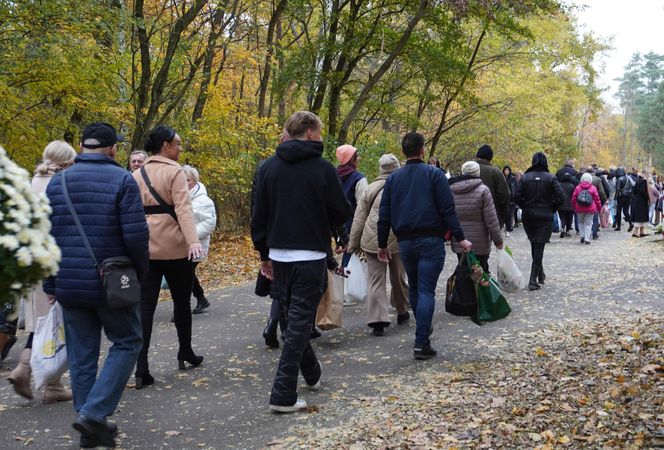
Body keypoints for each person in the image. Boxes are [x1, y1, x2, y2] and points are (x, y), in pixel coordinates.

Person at [43, 122, 149, 448]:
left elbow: (47, 237)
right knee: (129, 341)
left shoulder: (57, 182)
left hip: (69, 283)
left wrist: (51, 284)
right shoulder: (122, 179)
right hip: (111, 281)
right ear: (113, 148)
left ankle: (90, 428)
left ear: (82, 146)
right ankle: (93, 413)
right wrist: (141, 274)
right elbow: (135, 236)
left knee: (82, 354)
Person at [251, 111, 351, 413]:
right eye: (319, 132)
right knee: (296, 326)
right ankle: (283, 393)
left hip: (279, 257)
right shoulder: (322, 169)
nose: (321, 137)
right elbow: (340, 210)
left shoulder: (268, 167)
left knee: (290, 321)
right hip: (309, 257)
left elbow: (259, 215)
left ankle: (313, 374)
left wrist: (264, 254)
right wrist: (333, 228)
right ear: (309, 133)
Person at [377, 132, 471, 360]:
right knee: (426, 289)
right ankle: (421, 341)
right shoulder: (435, 175)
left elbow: (385, 214)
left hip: (406, 242)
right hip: (430, 239)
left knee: (417, 287)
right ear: (422, 150)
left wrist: (382, 244)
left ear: (403, 152)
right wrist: (461, 238)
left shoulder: (393, 179)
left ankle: (423, 327)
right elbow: (447, 210)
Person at [132, 126, 204, 390]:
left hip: (146, 250)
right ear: (165, 145)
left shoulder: (136, 173)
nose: (180, 148)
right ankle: (185, 351)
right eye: (178, 144)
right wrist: (193, 240)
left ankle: (141, 367)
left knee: (145, 308)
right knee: (182, 303)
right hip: (175, 249)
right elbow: (184, 210)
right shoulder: (175, 172)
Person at [8, 141, 77, 404]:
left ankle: (50, 384)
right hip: (54, 261)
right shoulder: (60, 184)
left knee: (43, 321)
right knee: (56, 321)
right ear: (67, 161)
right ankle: (31, 372)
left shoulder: (31, 182)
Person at [348, 154, 410, 337]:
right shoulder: (403, 187)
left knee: (376, 279)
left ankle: (378, 320)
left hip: (372, 240)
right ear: (397, 168)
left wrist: (352, 245)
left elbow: (359, 219)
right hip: (398, 238)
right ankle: (402, 310)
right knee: (398, 276)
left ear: (381, 169)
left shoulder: (370, 189)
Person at [514, 152, 564, 291]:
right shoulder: (551, 178)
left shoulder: (524, 178)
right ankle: (532, 279)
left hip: (528, 216)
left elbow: (516, 196)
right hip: (545, 215)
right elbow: (561, 197)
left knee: (534, 243)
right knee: (539, 245)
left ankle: (539, 274)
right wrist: (552, 208)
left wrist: (525, 207)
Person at [449, 161, 504, 273]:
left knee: (464, 271)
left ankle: (465, 290)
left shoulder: (451, 190)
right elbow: (491, 220)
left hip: (460, 241)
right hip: (480, 243)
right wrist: (498, 240)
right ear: (478, 173)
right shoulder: (483, 190)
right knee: (481, 275)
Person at [182, 165, 216, 314]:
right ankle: (201, 299)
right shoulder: (179, 196)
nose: (184, 182)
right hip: (180, 244)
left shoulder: (203, 200)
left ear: (194, 181)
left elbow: (209, 224)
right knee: (186, 274)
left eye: (187, 180)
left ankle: (181, 308)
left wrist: (191, 235)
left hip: (196, 245)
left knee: (184, 276)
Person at [336, 144, 367, 305]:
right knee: (349, 254)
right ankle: (348, 292)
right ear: (351, 159)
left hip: (335, 223)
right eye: (357, 156)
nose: (359, 159)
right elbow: (363, 204)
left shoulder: (333, 175)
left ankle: (345, 290)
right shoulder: (358, 178)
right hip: (352, 221)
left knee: (346, 254)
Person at [475, 144, 510, 229]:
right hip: (491, 215)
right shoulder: (496, 172)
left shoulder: (466, 169)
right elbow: (505, 195)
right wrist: (502, 214)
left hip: (468, 215)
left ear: (477, 156)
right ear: (491, 158)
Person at [571, 173, 602, 245]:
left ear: (582, 179)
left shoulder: (578, 187)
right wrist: (599, 207)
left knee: (581, 222)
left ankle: (582, 236)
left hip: (579, 208)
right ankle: (587, 238)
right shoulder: (593, 188)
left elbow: (574, 198)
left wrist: (573, 206)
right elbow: (597, 199)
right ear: (590, 179)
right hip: (590, 208)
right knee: (588, 223)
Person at [631, 171, 651, 238]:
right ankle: (635, 232)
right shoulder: (643, 181)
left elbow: (635, 190)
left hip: (638, 200)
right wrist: (648, 197)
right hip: (641, 201)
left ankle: (641, 231)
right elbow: (643, 191)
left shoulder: (637, 180)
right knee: (639, 216)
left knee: (641, 216)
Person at [614, 167, 633, 232]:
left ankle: (618, 226)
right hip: (629, 196)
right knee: (626, 211)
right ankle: (631, 223)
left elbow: (617, 190)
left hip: (621, 197)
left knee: (618, 211)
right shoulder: (628, 178)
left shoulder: (619, 179)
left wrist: (615, 198)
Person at [558, 173, 576, 238]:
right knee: (569, 218)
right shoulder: (572, 186)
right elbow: (574, 196)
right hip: (570, 205)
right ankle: (568, 231)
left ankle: (562, 228)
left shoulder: (559, 185)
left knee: (562, 217)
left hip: (561, 204)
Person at [503, 165, 517, 234]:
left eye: (507, 170)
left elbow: (514, 189)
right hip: (504, 199)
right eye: (505, 170)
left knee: (510, 214)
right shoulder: (502, 178)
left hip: (511, 199)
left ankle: (509, 227)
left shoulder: (512, 178)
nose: (506, 171)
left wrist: (513, 199)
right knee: (505, 214)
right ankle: (508, 227)